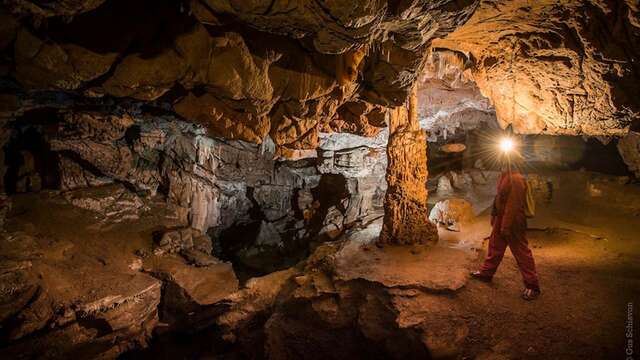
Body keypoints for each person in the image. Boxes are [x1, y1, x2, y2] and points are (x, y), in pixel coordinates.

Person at [470, 154, 541, 300]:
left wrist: (506, 226)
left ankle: (532, 286)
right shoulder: (504, 176)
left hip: (513, 221)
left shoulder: (516, 179)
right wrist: (494, 215)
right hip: (502, 218)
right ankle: (486, 273)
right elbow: (498, 198)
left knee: (521, 252)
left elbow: (513, 205)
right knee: (495, 246)